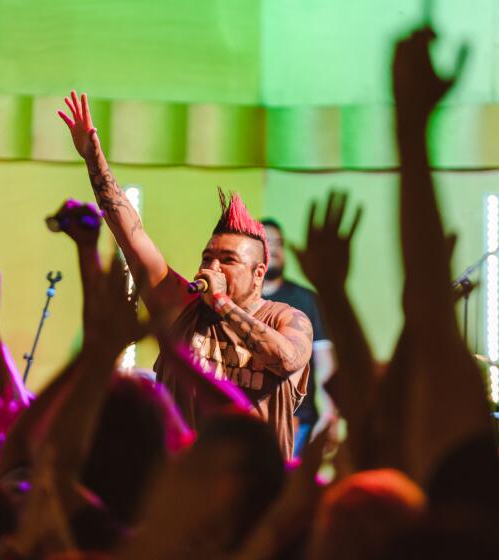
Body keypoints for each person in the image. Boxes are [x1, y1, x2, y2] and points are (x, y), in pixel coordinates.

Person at [58, 93, 313, 458]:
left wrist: (223, 304)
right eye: (208, 255)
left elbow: (286, 359)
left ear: (258, 274)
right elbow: (130, 233)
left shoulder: (286, 318)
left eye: (227, 259)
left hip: (257, 494)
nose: (211, 265)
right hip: (183, 485)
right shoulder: (183, 306)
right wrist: (92, 156)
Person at [261, 218, 336, 456]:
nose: (273, 249)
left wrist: (329, 415)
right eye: (266, 242)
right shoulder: (237, 302)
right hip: (251, 421)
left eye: (279, 243)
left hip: (299, 421)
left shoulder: (307, 299)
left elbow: (325, 361)